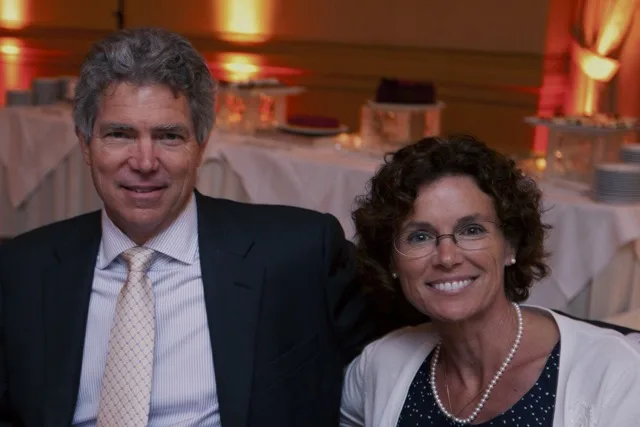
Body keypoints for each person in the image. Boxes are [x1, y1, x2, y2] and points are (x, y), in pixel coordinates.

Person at [0, 28, 373, 426]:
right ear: (85, 144)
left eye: (169, 136)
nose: (144, 162)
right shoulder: (21, 270)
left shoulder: (300, 254)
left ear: (201, 144)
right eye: (120, 134)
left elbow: (395, 372)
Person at [341, 135, 640, 426]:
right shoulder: (377, 367)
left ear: (510, 245)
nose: (447, 257)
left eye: (471, 230)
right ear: (392, 261)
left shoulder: (615, 375)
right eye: (420, 236)